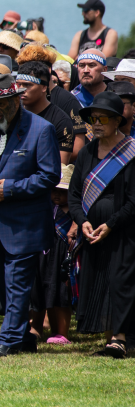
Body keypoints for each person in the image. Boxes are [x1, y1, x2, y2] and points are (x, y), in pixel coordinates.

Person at [0, 74, 60, 357]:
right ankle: (24, 338)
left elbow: (50, 175)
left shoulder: (41, 129)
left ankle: (8, 341)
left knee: (17, 282)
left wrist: (13, 189)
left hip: (24, 224)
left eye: (3, 103)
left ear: (16, 99)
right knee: (6, 287)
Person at [67, 92, 135, 359]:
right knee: (98, 279)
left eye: (102, 118)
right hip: (92, 231)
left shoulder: (131, 152)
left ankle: (120, 338)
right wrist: (82, 221)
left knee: (120, 281)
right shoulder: (87, 152)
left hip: (123, 231)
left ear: (117, 120)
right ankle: (109, 338)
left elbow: (133, 201)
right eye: (92, 119)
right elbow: (74, 194)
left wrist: (110, 223)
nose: (96, 124)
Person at [34, 165, 75, 346]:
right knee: (46, 292)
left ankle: (62, 332)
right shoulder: (47, 208)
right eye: (53, 191)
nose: (57, 195)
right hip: (46, 254)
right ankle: (39, 328)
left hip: (62, 257)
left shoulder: (73, 212)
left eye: (62, 191)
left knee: (61, 295)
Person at [16, 62, 75, 164]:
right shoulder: (12, 116)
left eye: (27, 85)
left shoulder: (61, 121)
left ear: (44, 87)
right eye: (19, 84)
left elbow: (59, 168)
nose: (21, 89)